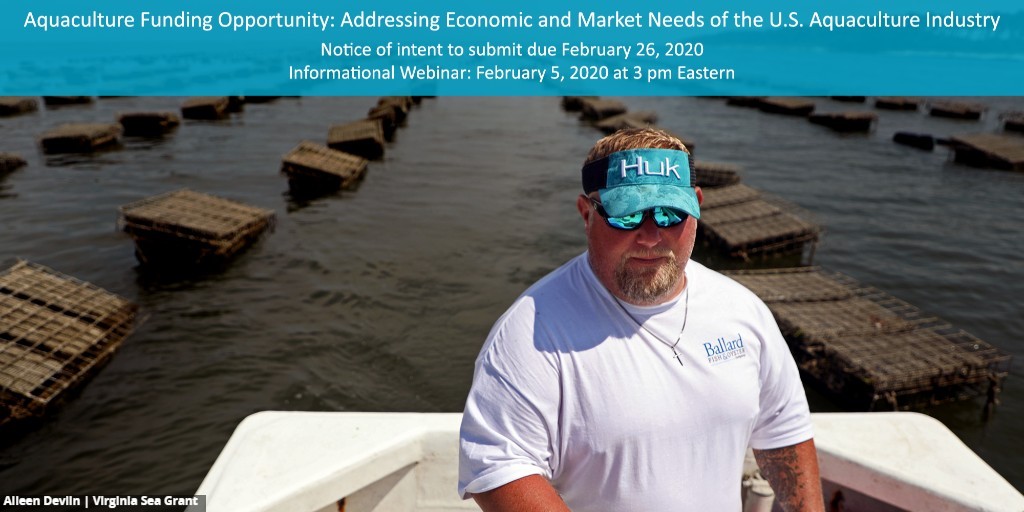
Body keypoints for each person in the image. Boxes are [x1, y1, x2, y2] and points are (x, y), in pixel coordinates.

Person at [458, 128, 824, 512]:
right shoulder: (532, 331)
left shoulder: (744, 312)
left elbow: (785, 433)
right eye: (627, 215)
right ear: (587, 213)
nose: (651, 237)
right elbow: (501, 468)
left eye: (671, 214)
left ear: (697, 206)